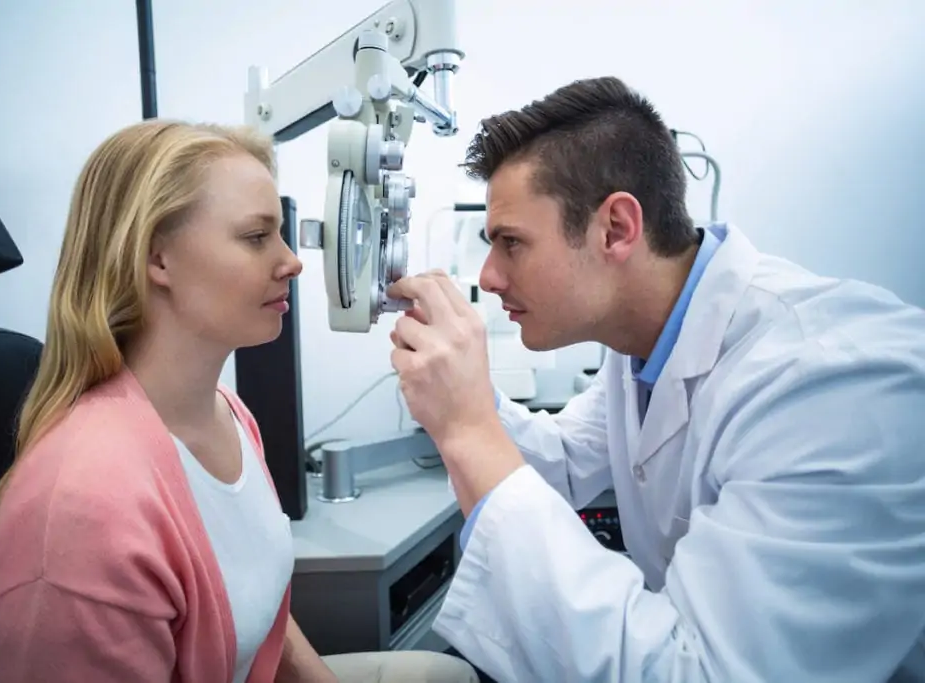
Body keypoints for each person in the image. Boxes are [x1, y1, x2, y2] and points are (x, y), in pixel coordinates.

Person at [386, 76, 925, 683]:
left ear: (616, 228)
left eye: (512, 243)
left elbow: (706, 674)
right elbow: (563, 462)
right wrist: (459, 392)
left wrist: (468, 428)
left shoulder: (828, 383)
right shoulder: (642, 343)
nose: (487, 276)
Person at [0, 120, 478, 683]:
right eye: (256, 237)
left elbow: (261, 617)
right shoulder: (79, 511)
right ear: (157, 259)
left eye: (281, 234)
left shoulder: (228, 416)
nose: (292, 261)